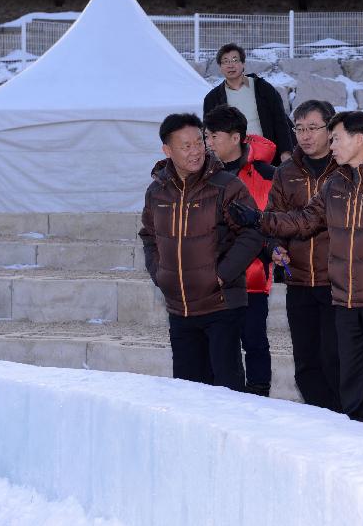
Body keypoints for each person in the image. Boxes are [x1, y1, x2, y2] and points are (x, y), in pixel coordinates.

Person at [229, 110, 363, 437]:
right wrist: (258, 220)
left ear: (358, 139)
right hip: (344, 298)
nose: (330, 145)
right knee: (351, 380)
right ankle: (358, 441)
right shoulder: (336, 184)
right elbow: (303, 222)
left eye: (335, 138)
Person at [139, 113, 263, 390]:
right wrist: (160, 274)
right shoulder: (157, 191)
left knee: (226, 392)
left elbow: (254, 231)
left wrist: (221, 275)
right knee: (188, 393)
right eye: (186, 146)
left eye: (199, 142)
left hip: (220, 305)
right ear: (167, 150)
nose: (195, 151)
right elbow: (149, 235)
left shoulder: (226, 186)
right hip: (178, 309)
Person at [265, 100, 342, 412]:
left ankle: (343, 422)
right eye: (299, 129)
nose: (306, 136)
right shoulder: (285, 173)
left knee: (335, 359)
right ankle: (319, 421)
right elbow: (272, 219)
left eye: (313, 128)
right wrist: (274, 247)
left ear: (330, 129)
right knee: (306, 363)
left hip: (338, 282)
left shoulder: (345, 168)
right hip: (299, 280)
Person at [203, 105, 277, 397]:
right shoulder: (204, 175)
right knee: (220, 344)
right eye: (206, 136)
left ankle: (260, 397)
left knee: (255, 341)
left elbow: (274, 221)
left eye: (213, 136)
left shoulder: (266, 174)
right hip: (213, 277)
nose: (208, 143)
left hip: (253, 276)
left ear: (236, 138)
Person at [203, 43, 294, 165]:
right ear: (220, 66)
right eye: (225, 61)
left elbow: (280, 121)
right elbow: (209, 131)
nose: (231, 65)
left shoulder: (263, 88)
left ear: (243, 64)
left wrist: (285, 152)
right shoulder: (212, 98)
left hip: (267, 156)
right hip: (233, 159)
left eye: (235, 60)